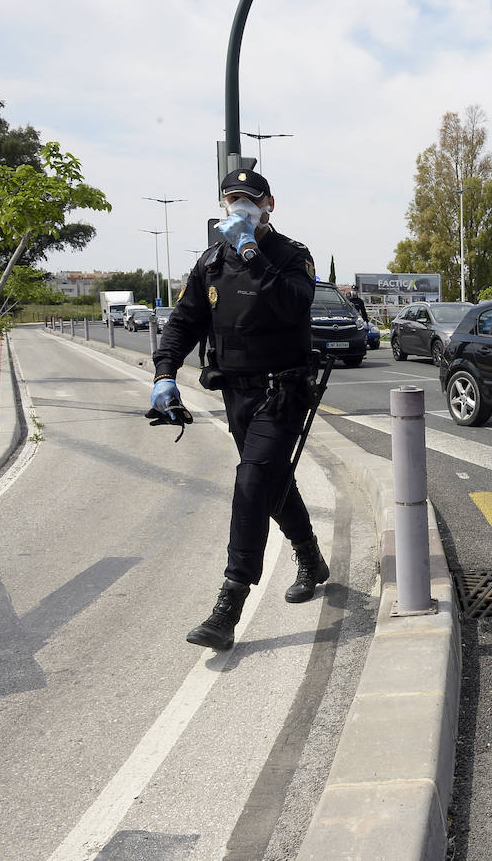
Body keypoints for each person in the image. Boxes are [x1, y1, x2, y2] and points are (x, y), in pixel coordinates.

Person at [147, 167, 327, 651]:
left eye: (250, 198)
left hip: (282, 391)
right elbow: (183, 322)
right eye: (232, 198)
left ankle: (230, 602)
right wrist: (165, 373)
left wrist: (251, 252)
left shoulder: (291, 256)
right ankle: (310, 556)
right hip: (236, 394)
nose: (239, 206)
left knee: (251, 484)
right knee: (270, 479)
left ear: (270, 204)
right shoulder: (209, 263)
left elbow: (294, 305)